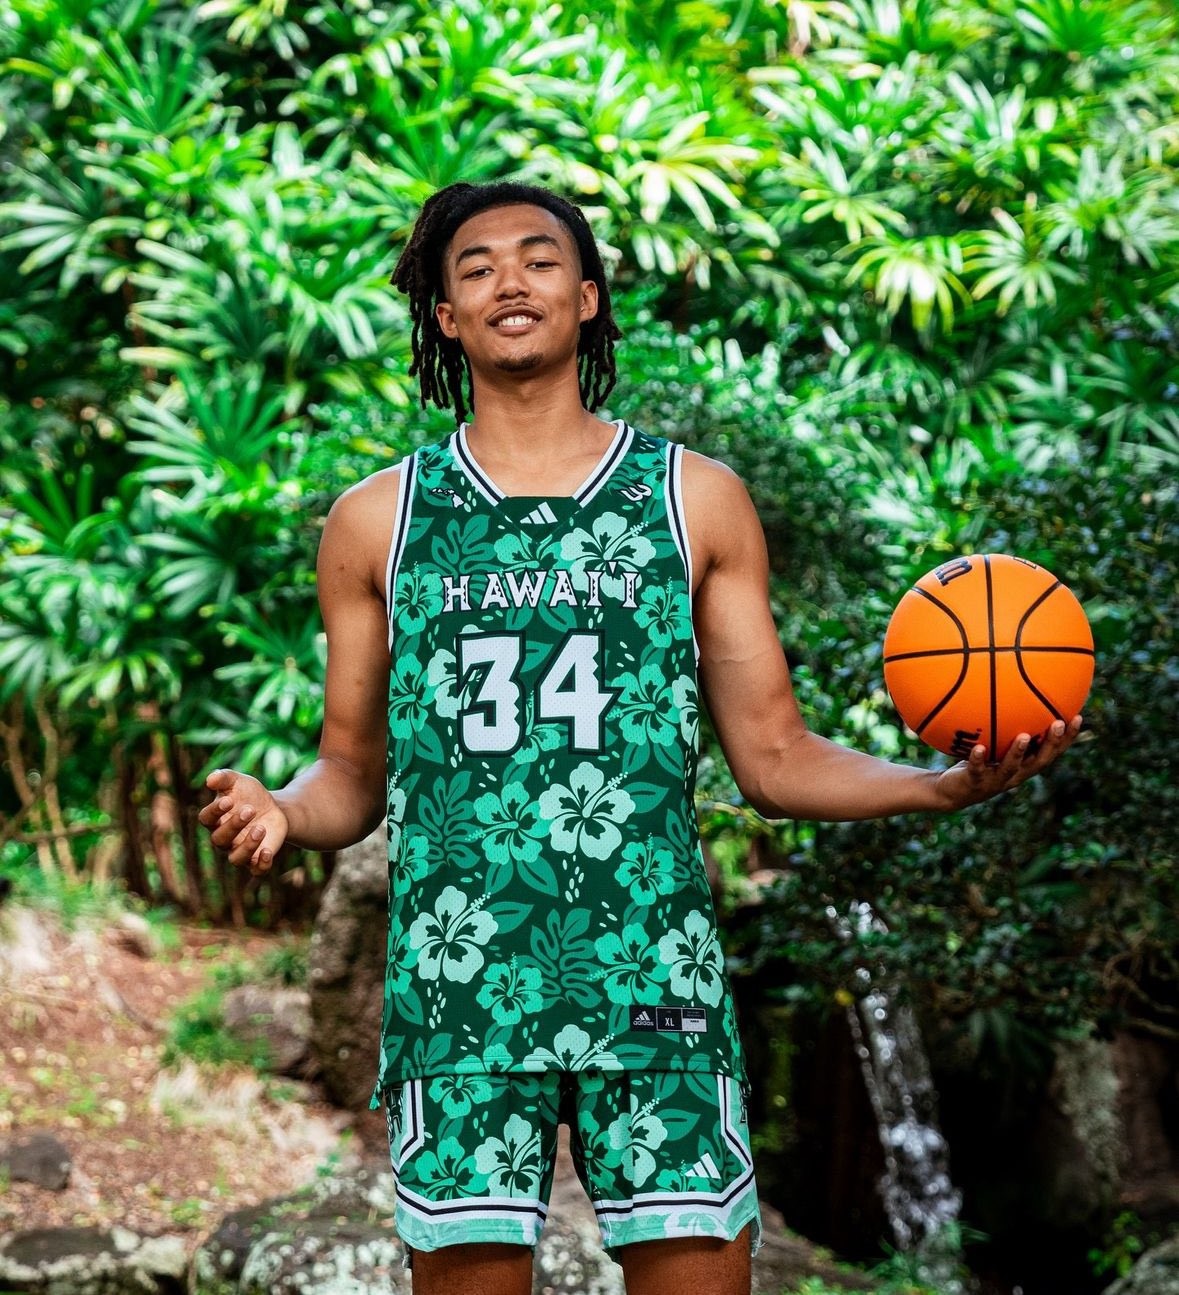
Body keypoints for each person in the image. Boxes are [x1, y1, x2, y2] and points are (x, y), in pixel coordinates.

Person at [198, 180, 1081, 1295]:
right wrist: (283, 808)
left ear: (588, 297)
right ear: (445, 317)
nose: (511, 280)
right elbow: (350, 774)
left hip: (654, 974)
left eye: (539, 258)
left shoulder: (693, 499)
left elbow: (774, 757)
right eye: (476, 267)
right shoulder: (378, 519)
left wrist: (932, 786)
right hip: (463, 990)